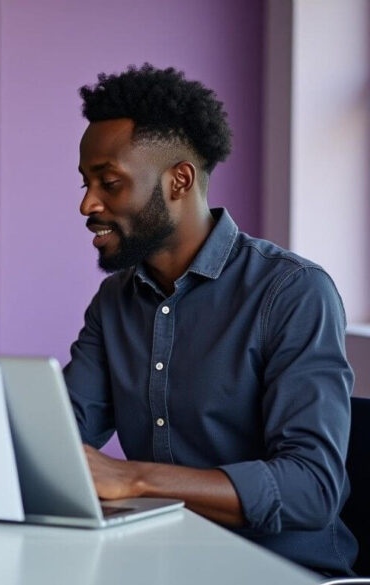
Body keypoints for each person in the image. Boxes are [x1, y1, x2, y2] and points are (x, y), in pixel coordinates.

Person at [64, 64, 356, 574]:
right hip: (166, 562)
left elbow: (312, 488)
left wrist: (134, 479)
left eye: (109, 183)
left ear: (180, 180)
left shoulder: (292, 292)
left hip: (284, 570)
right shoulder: (115, 301)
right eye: (87, 183)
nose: (88, 203)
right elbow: (64, 431)